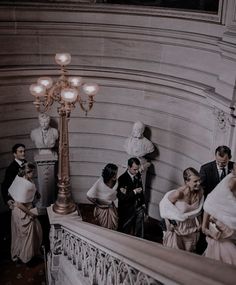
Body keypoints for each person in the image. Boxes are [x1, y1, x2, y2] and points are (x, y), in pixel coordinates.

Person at [159, 167, 204, 252]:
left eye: (199, 180)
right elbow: (165, 208)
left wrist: (200, 224)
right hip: (177, 229)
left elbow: (198, 211)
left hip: (192, 228)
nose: (198, 183)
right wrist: (168, 224)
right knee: (175, 255)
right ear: (187, 182)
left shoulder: (200, 191)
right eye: (195, 181)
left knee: (189, 255)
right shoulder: (178, 194)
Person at [8, 162, 42, 264]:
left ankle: (31, 253)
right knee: (27, 234)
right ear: (27, 172)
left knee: (33, 231)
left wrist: (36, 193)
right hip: (21, 211)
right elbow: (19, 204)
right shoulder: (24, 184)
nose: (34, 174)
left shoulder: (23, 179)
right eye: (32, 172)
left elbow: (11, 192)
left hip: (22, 208)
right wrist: (31, 214)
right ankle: (26, 257)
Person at [202, 164, 236, 265]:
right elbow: (212, 202)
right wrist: (204, 225)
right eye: (234, 168)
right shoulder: (232, 181)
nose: (232, 170)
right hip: (221, 226)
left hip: (227, 227)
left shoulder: (230, 178)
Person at [117, 157, 146, 238]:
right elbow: (122, 198)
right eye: (134, 169)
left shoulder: (138, 175)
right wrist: (134, 192)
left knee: (139, 230)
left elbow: (141, 190)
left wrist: (143, 204)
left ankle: (139, 243)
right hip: (126, 209)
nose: (137, 172)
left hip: (138, 207)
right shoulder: (122, 179)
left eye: (138, 169)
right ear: (129, 167)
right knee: (124, 231)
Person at [87, 163, 118, 230]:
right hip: (102, 211)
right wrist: (98, 203)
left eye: (116, 173)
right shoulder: (100, 182)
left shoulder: (116, 182)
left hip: (111, 209)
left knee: (113, 228)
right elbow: (89, 195)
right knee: (104, 229)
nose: (116, 175)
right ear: (109, 174)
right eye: (114, 174)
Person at [1, 143, 27, 207]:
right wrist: (7, 199)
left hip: (26, 196)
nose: (23, 153)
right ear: (14, 154)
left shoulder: (25, 162)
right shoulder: (11, 168)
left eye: (24, 151)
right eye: (20, 151)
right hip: (17, 198)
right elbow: (4, 185)